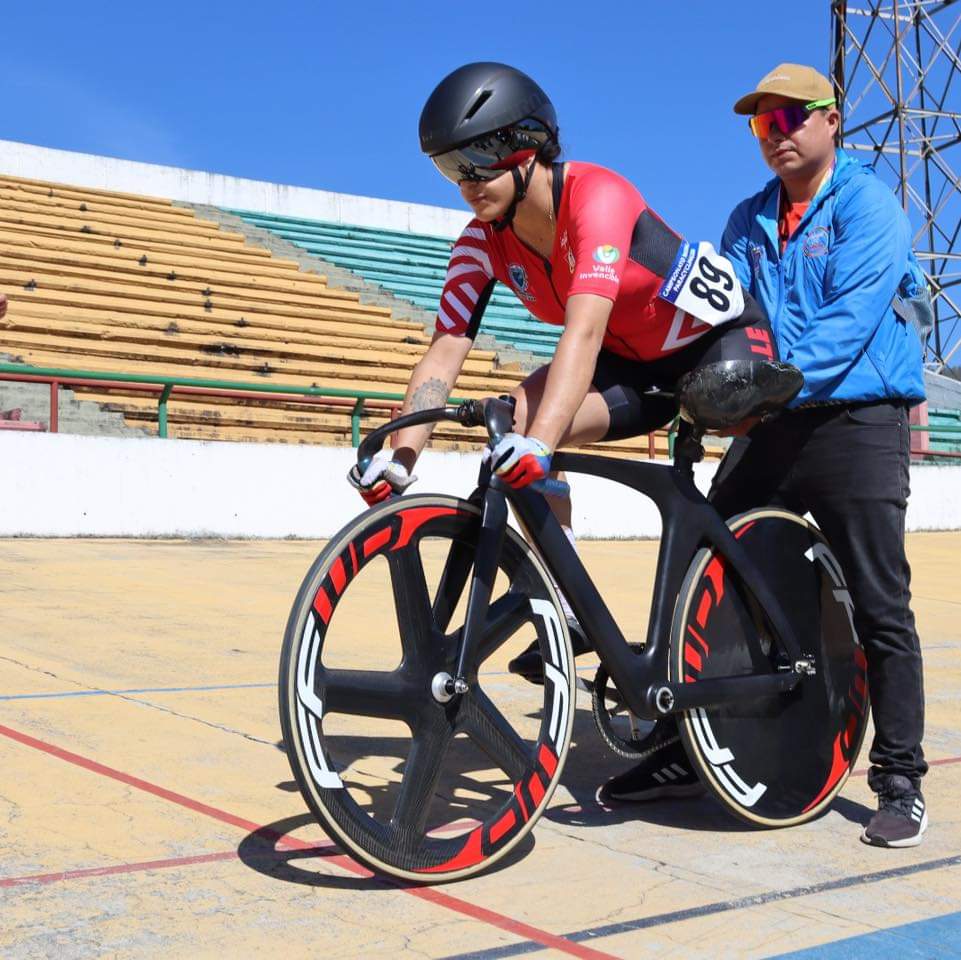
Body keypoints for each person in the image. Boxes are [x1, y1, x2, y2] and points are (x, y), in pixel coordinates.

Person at [348, 61, 778, 678]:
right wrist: (403, 456)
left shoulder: (597, 198)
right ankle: (571, 603)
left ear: (527, 149)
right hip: (632, 360)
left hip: (717, 346)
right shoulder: (479, 243)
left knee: (537, 434)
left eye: (479, 160)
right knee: (511, 419)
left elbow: (583, 332)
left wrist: (541, 445)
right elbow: (445, 350)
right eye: (450, 168)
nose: (467, 182)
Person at [601, 63, 929, 850]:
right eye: (761, 125)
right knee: (703, 577)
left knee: (879, 604)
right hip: (773, 419)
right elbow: (728, 313)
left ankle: (899, 778)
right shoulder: (747, 219)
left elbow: (848, 323)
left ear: (830, 121)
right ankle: (690, 750)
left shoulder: (867, 204)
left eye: (789, 120)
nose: (775, 136)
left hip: (855, 420)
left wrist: (759, 387)